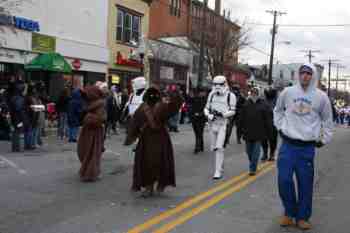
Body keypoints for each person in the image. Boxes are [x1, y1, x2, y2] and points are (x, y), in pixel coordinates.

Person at [274, 63, 334, 230]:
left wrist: (324, 139)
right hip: (288, 145)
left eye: (308, 73)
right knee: (284, 180)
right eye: (302, 73)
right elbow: (278, 111)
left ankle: (302, 217)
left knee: (305, 183)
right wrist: (280, 127)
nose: (305, 76)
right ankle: (289, 212)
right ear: (298, 75)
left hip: (306, 148)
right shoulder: (288, 92)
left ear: (313, 75)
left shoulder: (321, 97)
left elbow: (328, 122)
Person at [124, 87, 183, 197]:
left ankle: (153, 186)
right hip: (158, 138)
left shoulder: (146, 107)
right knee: (156, 162)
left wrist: (131, 137)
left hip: (151, 138)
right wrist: (175, 94)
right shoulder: (158, 107)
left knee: (152, 162)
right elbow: (175, 107)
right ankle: (153, 185)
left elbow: (134, 124)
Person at [204, 75, 236, 179]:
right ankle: (220, 166)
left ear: (225, 84)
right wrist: (209, 115)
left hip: (223, 124)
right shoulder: (211, 95)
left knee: (219, 148)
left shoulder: (230, 96)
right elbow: (206, 108)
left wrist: (223, 114)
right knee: (213, 148)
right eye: (215, 84)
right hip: (213, 124)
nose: (218, 87)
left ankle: (217, 171)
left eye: (220, 84)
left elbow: (232, 111)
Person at [239, 87, 273, 176]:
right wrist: (240, 130)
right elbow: (241, 118)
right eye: (252, 93)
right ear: (250, 94)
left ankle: (252, 169)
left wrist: (269, 131)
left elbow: (268, 119)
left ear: (258, 94)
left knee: (256, 152)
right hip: (248, 132)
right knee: (248, 151)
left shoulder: (264, 104)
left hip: (259, 132)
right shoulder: (246, 104)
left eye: (255, 93)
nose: (254, 94)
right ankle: (253, 163)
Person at [77, 85, 106, 182]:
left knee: (92, 152)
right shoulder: (92, 104)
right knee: (86, 151)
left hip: (94, 132)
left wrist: (88, 118)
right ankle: (88, 171)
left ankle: (91, 173)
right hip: (89, 131)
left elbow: (100, 119)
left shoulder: (99, 105)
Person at [261, 87, 278, 161]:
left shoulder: (277, 101)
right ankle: (265, 153)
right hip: (264, 123)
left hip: (273, 123)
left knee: (273, 140)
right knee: (263, 139)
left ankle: (272, 153)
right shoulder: (263, 101)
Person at [188, 88, 207, 154]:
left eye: (203, 92)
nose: (203, 94)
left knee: (199, 132)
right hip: (194, 118)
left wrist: (201, 113)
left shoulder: (206, 100)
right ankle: (201, 146)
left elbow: (207, 109)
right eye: (202, 92)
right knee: (197, 133)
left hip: (202, 119)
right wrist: (190, 96)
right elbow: (189, 103)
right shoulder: (195, 98)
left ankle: (197, 147)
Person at [8, 81, 26, 152]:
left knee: (15, 131)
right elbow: (18, 108)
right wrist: (22, 117)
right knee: (17, 132)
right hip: (17, 117)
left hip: (14, 116)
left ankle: (15, 147)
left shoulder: (13, 97)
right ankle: (16, 147)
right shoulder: (19, 98)